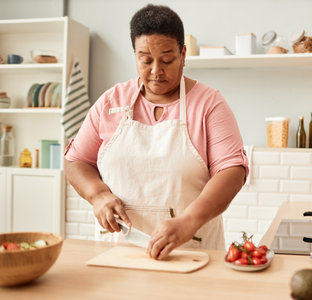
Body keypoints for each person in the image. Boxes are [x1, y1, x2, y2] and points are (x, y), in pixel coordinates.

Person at [64, 4, 248, 260]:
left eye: (167, 59)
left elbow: (232, 172)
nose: (156, 71)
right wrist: (98, 195)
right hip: (119, 254)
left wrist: (188, 221)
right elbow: (76, 161)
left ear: (183, 54)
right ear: (135, 55)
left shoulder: (209, 104)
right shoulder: (111, 102)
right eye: (146, 59)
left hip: (191, 254)